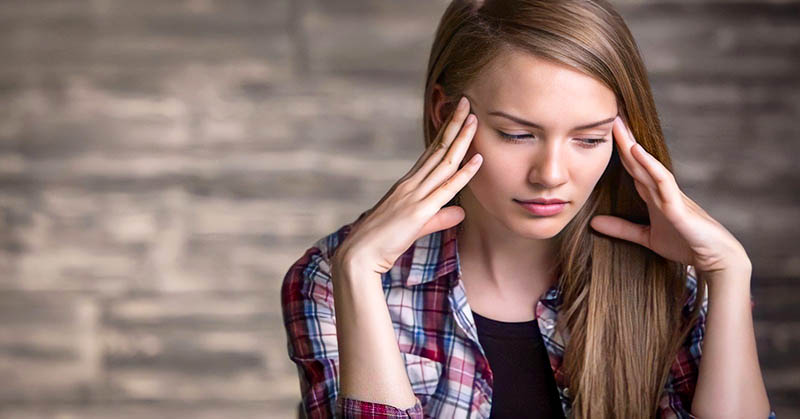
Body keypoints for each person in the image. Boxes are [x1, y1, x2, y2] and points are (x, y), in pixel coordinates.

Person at [281, 0, 776, 417]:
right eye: (518, 134)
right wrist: (359, 273)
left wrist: (728, 274)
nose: (552, 174)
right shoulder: (334, 276)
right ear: (443, 112)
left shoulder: (678, 280)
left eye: (589, 138)